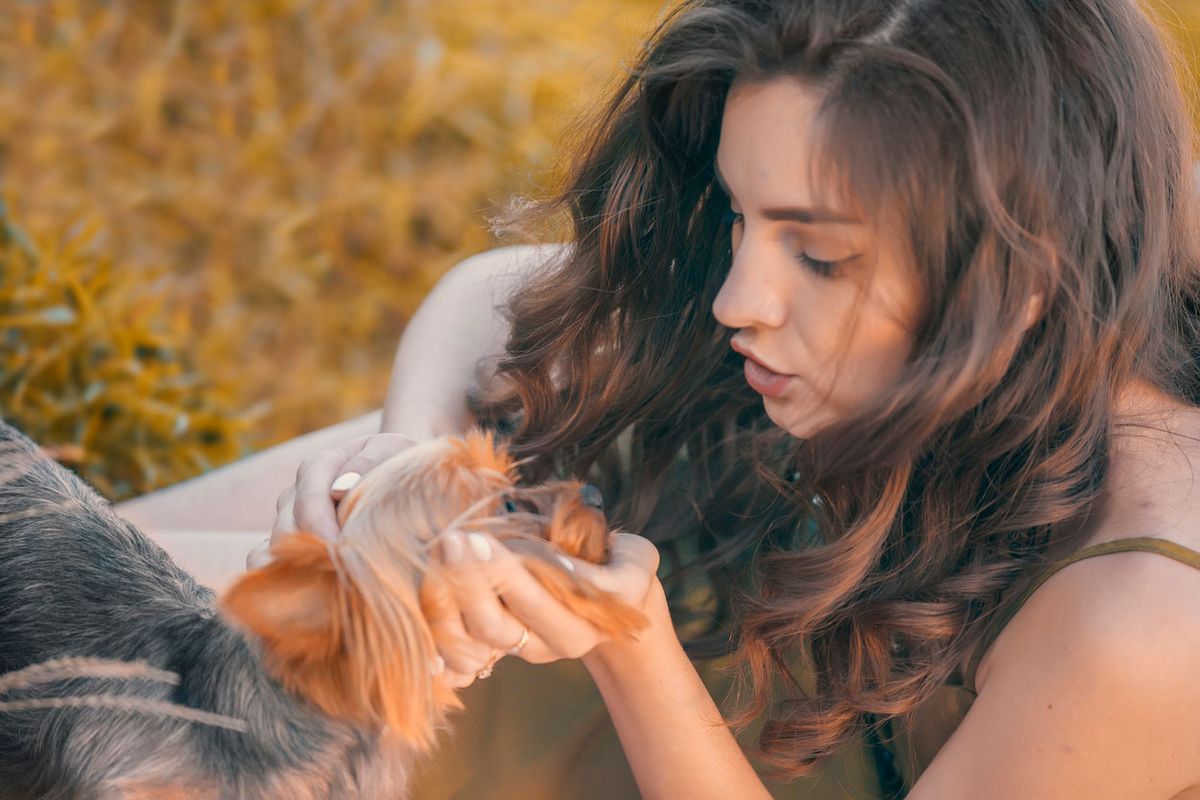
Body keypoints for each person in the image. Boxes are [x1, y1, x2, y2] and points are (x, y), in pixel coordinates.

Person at [118, 0, 1200, 796]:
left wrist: (628, 649)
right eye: (740, 215)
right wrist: (411, 464)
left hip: (702, 728)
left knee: (131, 681)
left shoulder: (1144, 622)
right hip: (710, 601)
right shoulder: (1057, 290)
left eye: (819, 257)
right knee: (127, 574)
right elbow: (505, 297)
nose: (739, 299)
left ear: (1025, 272)